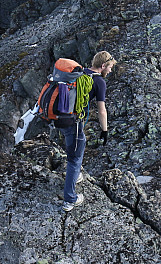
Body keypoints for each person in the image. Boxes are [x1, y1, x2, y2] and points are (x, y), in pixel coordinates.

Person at [59, 51, 116, 212]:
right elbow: (102, 111)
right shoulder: (99, 82)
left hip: (61, 118)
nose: (110, 71)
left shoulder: (81, 72)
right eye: (110, 67)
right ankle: (69, 200)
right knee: (75, 157)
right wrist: (104, 131)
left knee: (74, 148)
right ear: (103, 65)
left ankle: (75, 175)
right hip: (74, 122)